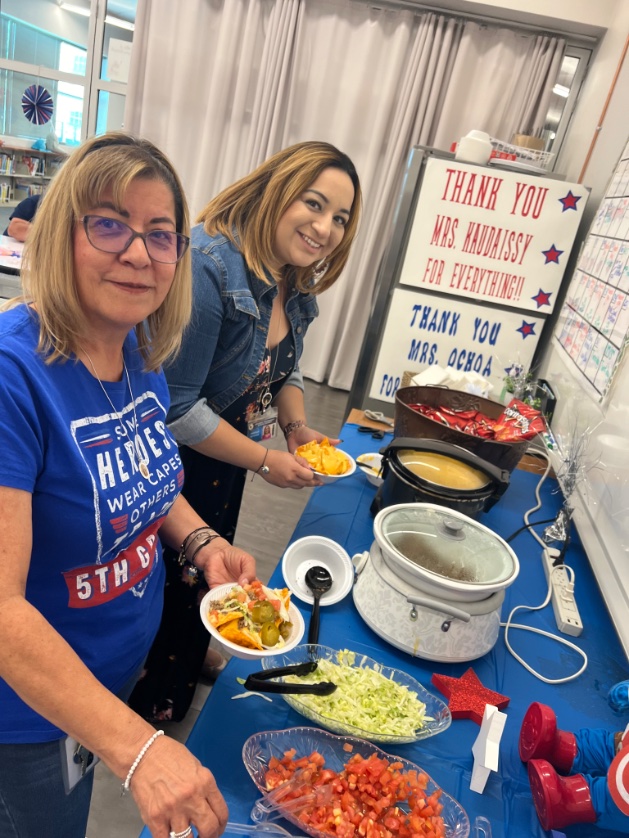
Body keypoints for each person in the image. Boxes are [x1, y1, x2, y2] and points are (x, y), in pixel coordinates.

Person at [0, 131, 256, 838]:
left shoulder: (137, 348)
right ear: (61, 234)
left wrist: (202, 541)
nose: (138, 253)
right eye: (109, 224)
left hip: (108, 682)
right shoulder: (11, 376)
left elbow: (139, 474)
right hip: (27, 718)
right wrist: (139, 749)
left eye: (160, 233)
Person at [128, 141, 362, 722]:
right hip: (183, 456)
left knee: (213, 570)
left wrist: (297, 426)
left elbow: (285, 366)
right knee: (172, 575)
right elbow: (178, 409)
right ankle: (155, 691)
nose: (325, 227)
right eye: (314, 203)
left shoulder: (293, 278)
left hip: (231, 455)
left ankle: (194, 646)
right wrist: (263, 459)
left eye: (340, 218)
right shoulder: (210, 264)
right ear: (279, 190)